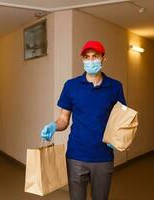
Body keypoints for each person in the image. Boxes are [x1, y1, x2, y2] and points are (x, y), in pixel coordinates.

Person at [40, 40, 127, 200]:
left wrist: (118, 137)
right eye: (87, 57)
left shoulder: (115, 87)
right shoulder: (71, 86)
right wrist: (53, 126)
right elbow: (63, 119)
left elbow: (122, 121)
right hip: (76, 156)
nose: (91, 60)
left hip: (103, 157)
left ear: (103, 58)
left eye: (95, 56)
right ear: (82, 60)